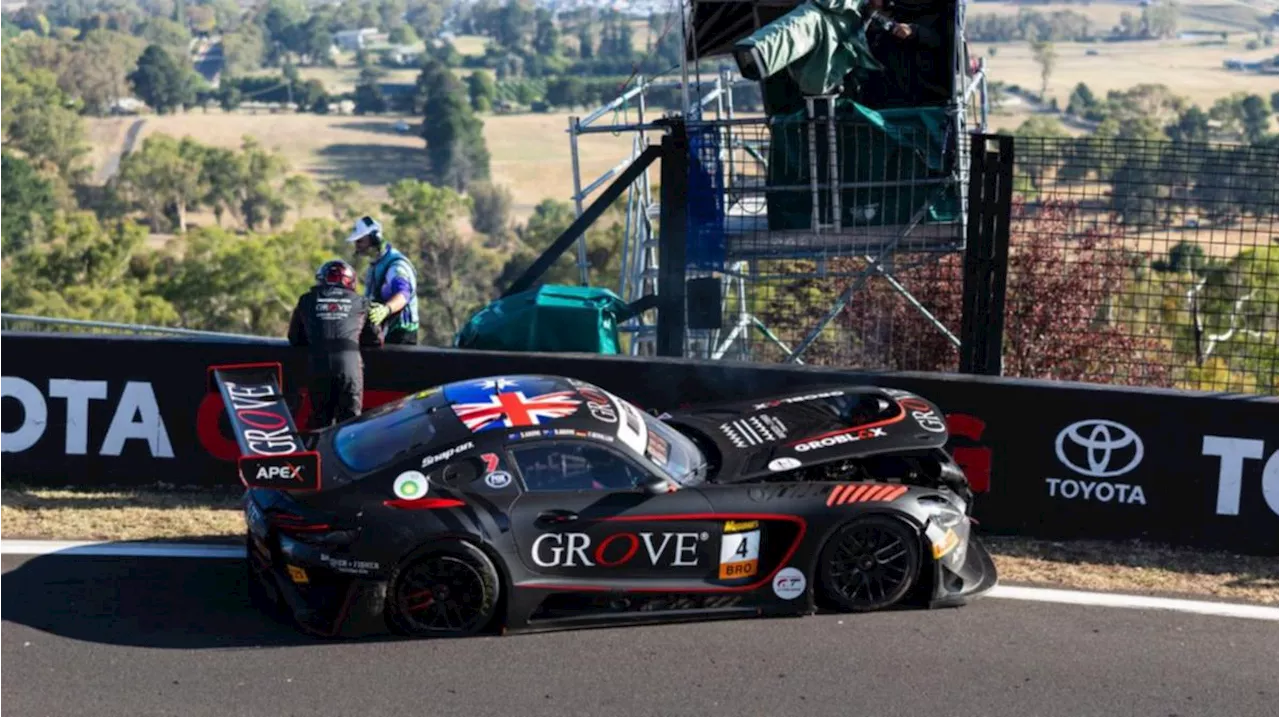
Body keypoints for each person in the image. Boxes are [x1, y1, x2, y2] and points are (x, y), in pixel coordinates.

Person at [288, 259, 384, 430]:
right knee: (350, 424)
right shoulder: (361, 301)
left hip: (318, 365)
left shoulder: (306, 300)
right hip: (349, 366)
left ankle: (318, 455)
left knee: (320, 420)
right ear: (350, 281)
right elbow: (376, 339)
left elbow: (295, 337)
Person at [345, 215, 420, 345]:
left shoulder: (396, 266)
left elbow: (403, 294)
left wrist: (386, 309)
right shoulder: (376, 265)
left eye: (360, 241)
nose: (356, 246)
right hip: (385, 331)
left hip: (401, 334)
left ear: (375, 239)